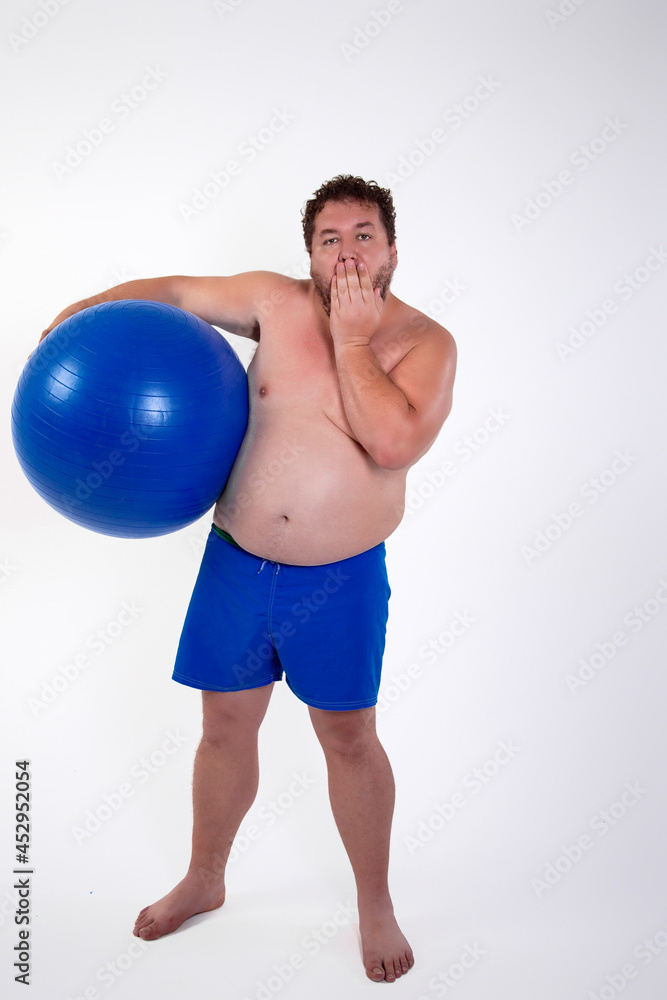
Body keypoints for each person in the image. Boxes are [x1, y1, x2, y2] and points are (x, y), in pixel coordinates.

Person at [40, 175, 457, 983]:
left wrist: (351, 340)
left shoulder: (424, 344)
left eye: (363, 236)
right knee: (223, 731)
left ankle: (374, 903)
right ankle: (206, 878)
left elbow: (393, 443)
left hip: (337, 583)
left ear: (393, 250)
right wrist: (69, 326)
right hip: (235, 564)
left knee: (349, 739)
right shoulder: (273, 299)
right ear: (308, 252)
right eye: (330, 239)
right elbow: (168, 291)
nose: (346, 253)